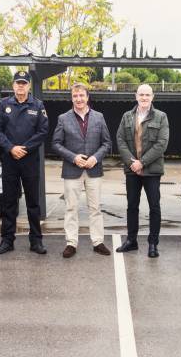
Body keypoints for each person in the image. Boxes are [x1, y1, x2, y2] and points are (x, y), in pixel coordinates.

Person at [0, 70, 49, 255]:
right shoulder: (3, 105)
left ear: (29, 86)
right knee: (9, 202)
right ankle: (7, 240)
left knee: (33, 203)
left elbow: (43, 131)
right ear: (13, 85)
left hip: (30, 160)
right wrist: (11, 148)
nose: (21, 86)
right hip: (9, 160)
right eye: (18, 83)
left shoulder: (38, 105)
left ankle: (36, 241)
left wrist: (24, 148)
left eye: (24, 83)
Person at [52, 83, 112, 258]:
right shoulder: (63, 118)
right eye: (75, 96)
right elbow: (55, 143)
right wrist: (73, 157)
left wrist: (95, 158)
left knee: (95, 208)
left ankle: (98, 241)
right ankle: (71, 243)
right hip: (72, 170)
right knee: (71, 208)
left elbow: (107, 143)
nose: (78, 99)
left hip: (94, 170)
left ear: (87, 97)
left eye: (81, 96)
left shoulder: (99, 117)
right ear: (72, 98)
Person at [115, 84, 169, 258]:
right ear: (136, 96)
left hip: (151, 171)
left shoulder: (161, 117)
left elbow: (162, 144)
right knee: (132, 206)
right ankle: (132, 241)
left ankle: (153, 244)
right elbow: (120, 140)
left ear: (152, 97)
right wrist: (133, 163)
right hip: (132, 170)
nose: (144, 97)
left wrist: (142, 163)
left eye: (147, 95)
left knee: (154, 207)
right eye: (141, 94)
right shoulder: (126, 116)